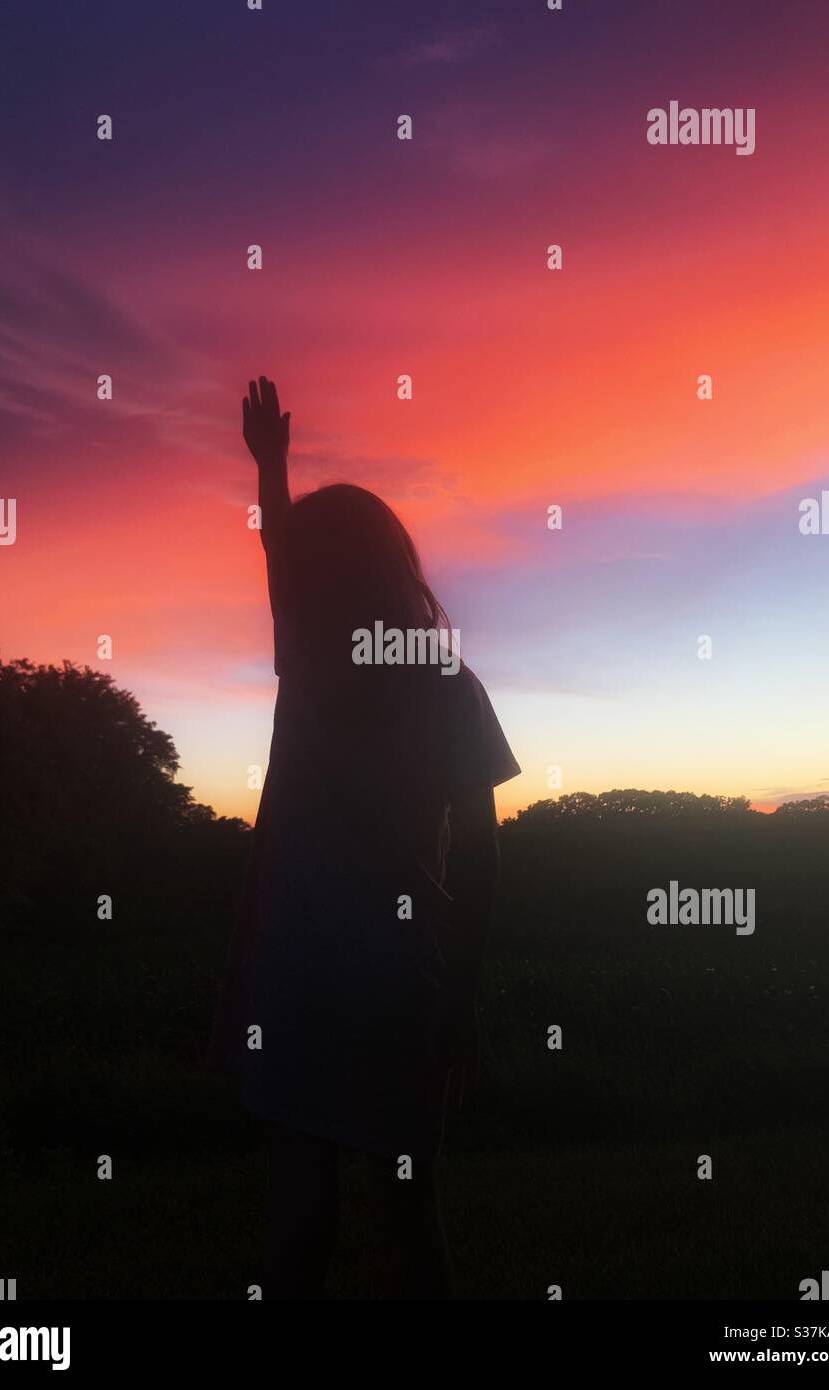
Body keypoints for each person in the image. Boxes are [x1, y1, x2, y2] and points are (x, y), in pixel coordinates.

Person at [207, 378, 520, 1298]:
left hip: (298, 972)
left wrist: (271, 470)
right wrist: (459, 997)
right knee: (411, 1220)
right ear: (396, 564)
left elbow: (278, 554)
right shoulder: (441, 681)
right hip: (401, 976)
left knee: (299, 1217)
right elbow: (483, 852)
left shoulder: (305, 663)